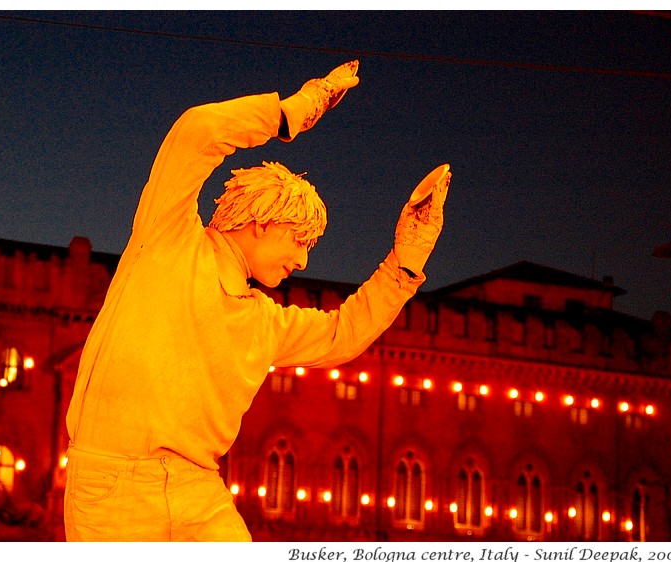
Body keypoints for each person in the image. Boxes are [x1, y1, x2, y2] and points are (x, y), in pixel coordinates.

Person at [63, 60, 451, 541]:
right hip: (113, 483)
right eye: (300, 240)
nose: (304, 261)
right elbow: (196, 132)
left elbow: (341, 335)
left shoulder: (264, 321)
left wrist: (405, 263)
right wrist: (292, 113)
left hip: (198, 487)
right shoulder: (167, 241)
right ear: (263, 223)